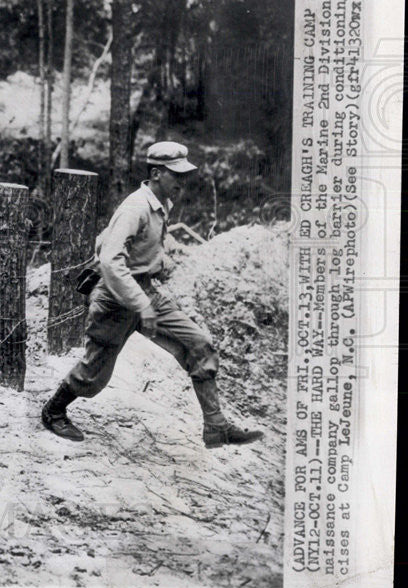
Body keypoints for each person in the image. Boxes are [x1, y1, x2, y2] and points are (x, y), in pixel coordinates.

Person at [40, 142, 265, 449]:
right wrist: (141, 303)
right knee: (94, 375)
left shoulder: (161, 203)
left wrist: (162, 265)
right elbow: (110, 259)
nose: (182, 182)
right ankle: (53, 411)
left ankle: (217, 427)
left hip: (144, 292)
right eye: (177, 175)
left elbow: (137, 244)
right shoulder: (135, 207)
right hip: (114, 299)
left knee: (199, 344)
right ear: (157, 173)